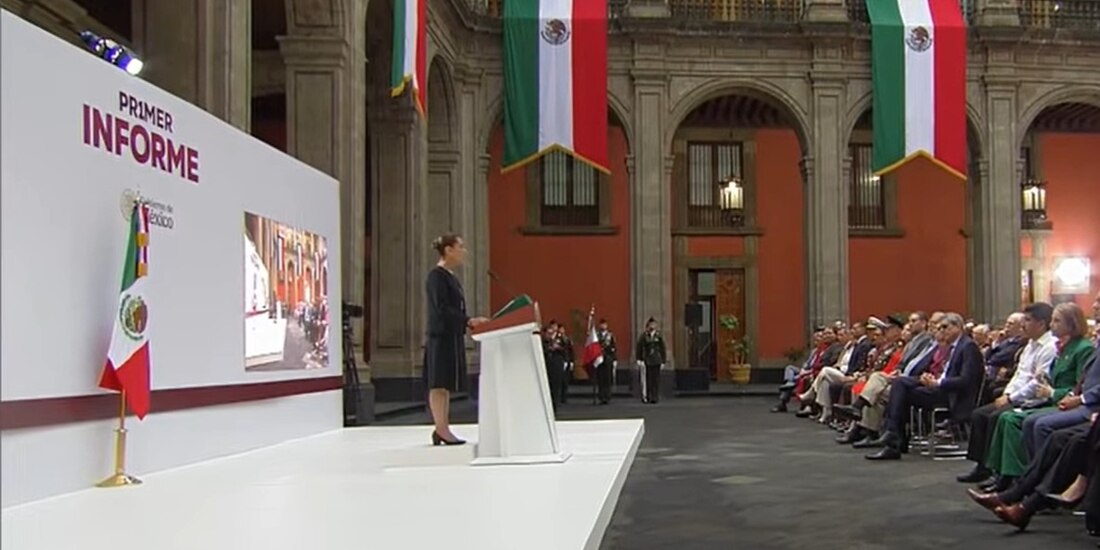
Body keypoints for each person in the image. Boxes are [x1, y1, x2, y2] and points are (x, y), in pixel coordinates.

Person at [981, 302, 1095, 489]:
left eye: (1057, 321)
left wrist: (1051, 392)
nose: (1052, 325)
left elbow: (1079, 386)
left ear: (1071, 324)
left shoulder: (1082, 348)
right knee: (1009, 418)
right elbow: (1036, 376)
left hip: (1070, 402)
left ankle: (1038, 480)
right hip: (1053, 398)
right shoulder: (1063, 347)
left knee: (1031, 423)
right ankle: (1012, 476)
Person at [957, 303, 1056, 484]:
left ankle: (1003, 473)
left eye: (1027, 320)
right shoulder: (1030, 345)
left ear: (1041, 324)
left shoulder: (1049, 347)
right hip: (1017, 394)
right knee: (979, 415)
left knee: (996, 417)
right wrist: (1008, 393)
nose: (1023, 325)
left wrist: (1011, 398)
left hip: (1034, 398)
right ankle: (982, 466)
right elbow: (1020, 374)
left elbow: (1037, 382)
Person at [423, 233, 488, 446]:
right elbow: (441, 309)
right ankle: (441, 429)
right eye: (460, 246)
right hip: (440, 337)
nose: (464, 251)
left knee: (446, 384)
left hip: (451, 336)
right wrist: (468, 321)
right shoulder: (436, 276)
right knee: (438, 383)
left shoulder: (450, 276)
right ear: (448, 250)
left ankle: (443, 428)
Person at [636, 318, 666, 404]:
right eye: (651, 324)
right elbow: (640, 347)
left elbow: (662, 348)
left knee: (656, 380)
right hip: (648, 360)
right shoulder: (644, 336)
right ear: (648, 326)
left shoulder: (658, 336)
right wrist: (639, 359)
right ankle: (648, 396)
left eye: (654, 324)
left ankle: (655, 397)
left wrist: (663, 360)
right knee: (649, 379)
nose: (652, 326)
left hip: (657, 360)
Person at [595, 319, 618, 405]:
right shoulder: (596, 336)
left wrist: (614, 359)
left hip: (608, 359)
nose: (603, 326)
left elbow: (614, 347)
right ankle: (601, 396)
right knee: (601, 378)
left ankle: (607, 396)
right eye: (601, 325)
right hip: (599, 359)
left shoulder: (610, 335)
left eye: (604, 324)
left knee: (608, 378)